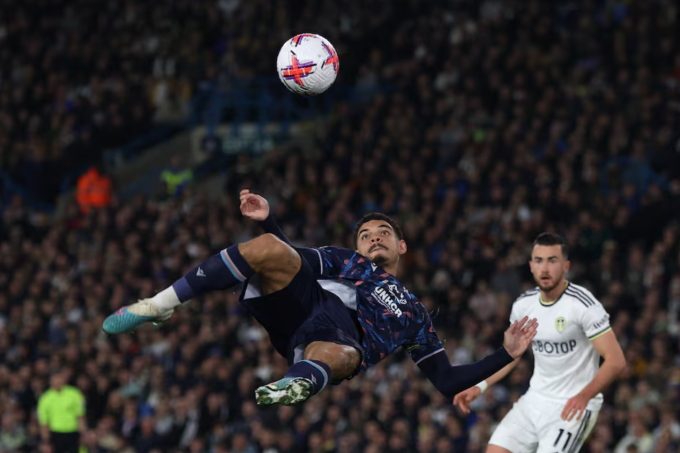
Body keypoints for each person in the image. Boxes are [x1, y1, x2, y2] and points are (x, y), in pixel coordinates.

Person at [103, 190, 538, 406]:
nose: (373, 238)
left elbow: (446, 382)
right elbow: (292, 260)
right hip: (305, 302)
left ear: (401, 247)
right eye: (365, 234)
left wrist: (507, 353)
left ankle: (297, 382)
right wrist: (269, 219)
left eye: (383, 233)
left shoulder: (416, 316)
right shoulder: (344, 259)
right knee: (269, 248)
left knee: (342, 355)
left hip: (341, 338)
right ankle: (159, 305)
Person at [453, 233, 626, 453]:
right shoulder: (523, 305)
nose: (545, 268)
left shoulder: (583, 305)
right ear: (531, 266)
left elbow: (616, 361)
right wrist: (480, 386)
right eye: (539, 261)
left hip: (572, 406)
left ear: (566, 266)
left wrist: (584, 395)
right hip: (534, 400)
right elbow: (512, 355)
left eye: (552, 261)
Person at [37, 370, 86, 453]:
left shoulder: (75, 394)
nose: (57, 381)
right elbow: (44, 423)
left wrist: (83, 434)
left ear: (64, 379)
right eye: (54, 379)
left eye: (59, 378)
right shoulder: (45, 399)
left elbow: (80, 416)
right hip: (55, 434)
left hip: (73, 432)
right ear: (50, 381)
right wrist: (46, 441)